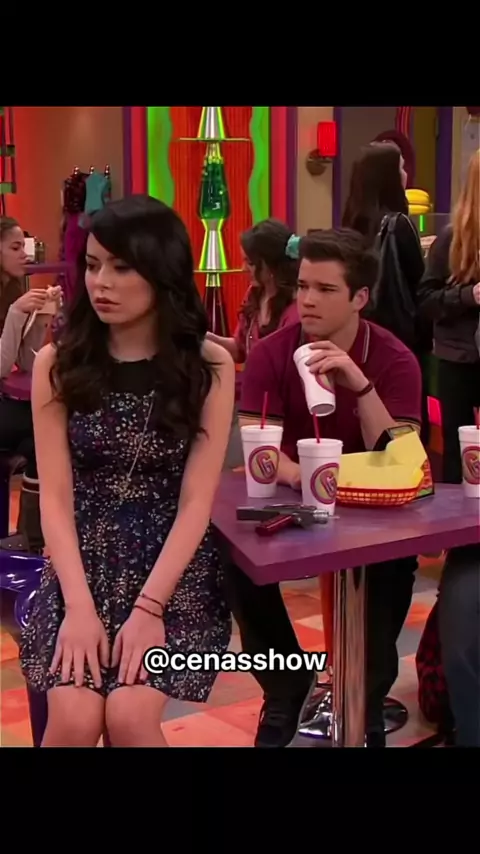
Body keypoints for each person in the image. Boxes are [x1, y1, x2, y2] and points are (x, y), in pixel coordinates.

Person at [20, 195, 235, 747]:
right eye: (93, 266)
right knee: (74, 720)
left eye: (121, 267)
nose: (101, 284)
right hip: (80, 562)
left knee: (130, 718)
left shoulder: (209, 365)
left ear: (161, 272)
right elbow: (55, 498)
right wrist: (78, 607)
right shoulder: (59, 364)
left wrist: (149, 608)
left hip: (172, 566)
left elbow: (197, 501)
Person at [227, 228, 422, 748]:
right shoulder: (272, 353)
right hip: (292, 499)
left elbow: (403, 456)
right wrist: (301, 476)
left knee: (391, 571)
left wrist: (360, 385)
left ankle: (364, 704)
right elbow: (258, 444)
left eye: (326, 289)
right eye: (303, 286)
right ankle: (285, 685)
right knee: (229, 554)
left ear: (360, 297)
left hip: (372, 510)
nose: (308, 299)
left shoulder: (394, 358)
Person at [342, 141, 431, 446]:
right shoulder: (399, 224)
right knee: (404, 418)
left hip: (361, 332)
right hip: (401, 334)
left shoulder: (352, 222)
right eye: (401, 168)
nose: (406, 174)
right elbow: (421, 285)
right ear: (389, 176)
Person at [417, 148, 480, 484]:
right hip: (458, 361)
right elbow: (426, 301)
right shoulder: (451, 239)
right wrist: (469, 296)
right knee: (458, 453)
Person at [0, 216, 61, 552]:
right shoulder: (11, 301)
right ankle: (32, 539)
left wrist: (43, 317)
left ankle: (30, 539)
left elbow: (25, 361)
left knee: (45, 437)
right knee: (45, 428)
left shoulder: (13, 288)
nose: (24, 254)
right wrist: (14, 314)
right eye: (14, 247)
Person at [207, 218, 299, 367]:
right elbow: (239, 350)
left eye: (250, 263)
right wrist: (205, 338)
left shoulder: (296, 307)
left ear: (271, 264)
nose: (243, 269)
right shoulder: (254, 294)